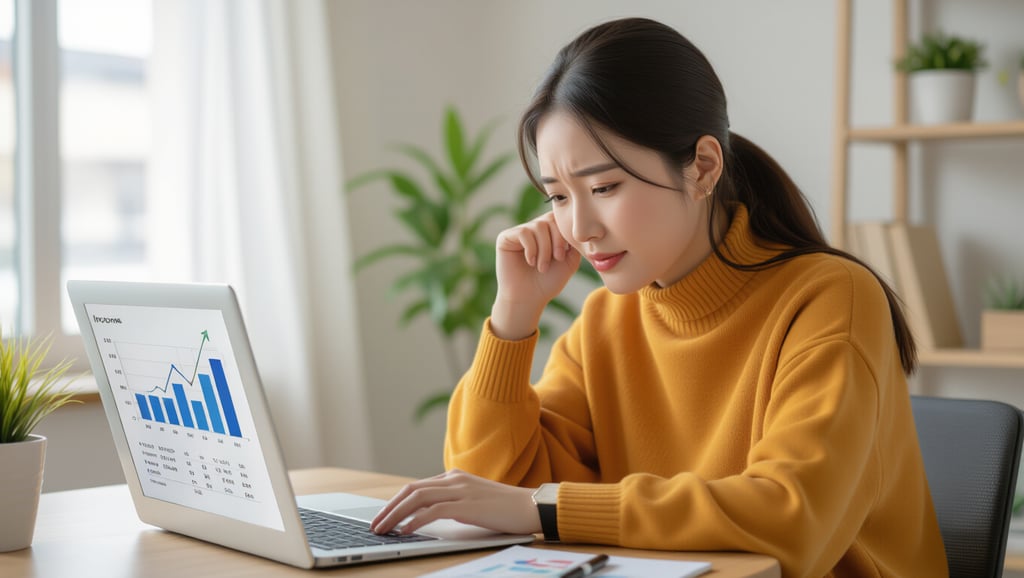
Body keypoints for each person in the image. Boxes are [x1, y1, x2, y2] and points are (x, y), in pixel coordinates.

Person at [370, 16, 947, 577]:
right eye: (558, 197)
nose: (580, 228)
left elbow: (792, 522)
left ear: (701, 167)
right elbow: (489, 494)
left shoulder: (830, 299)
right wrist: (513, 318)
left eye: (603, 187)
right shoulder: (606, 320)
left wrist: (545, 509)